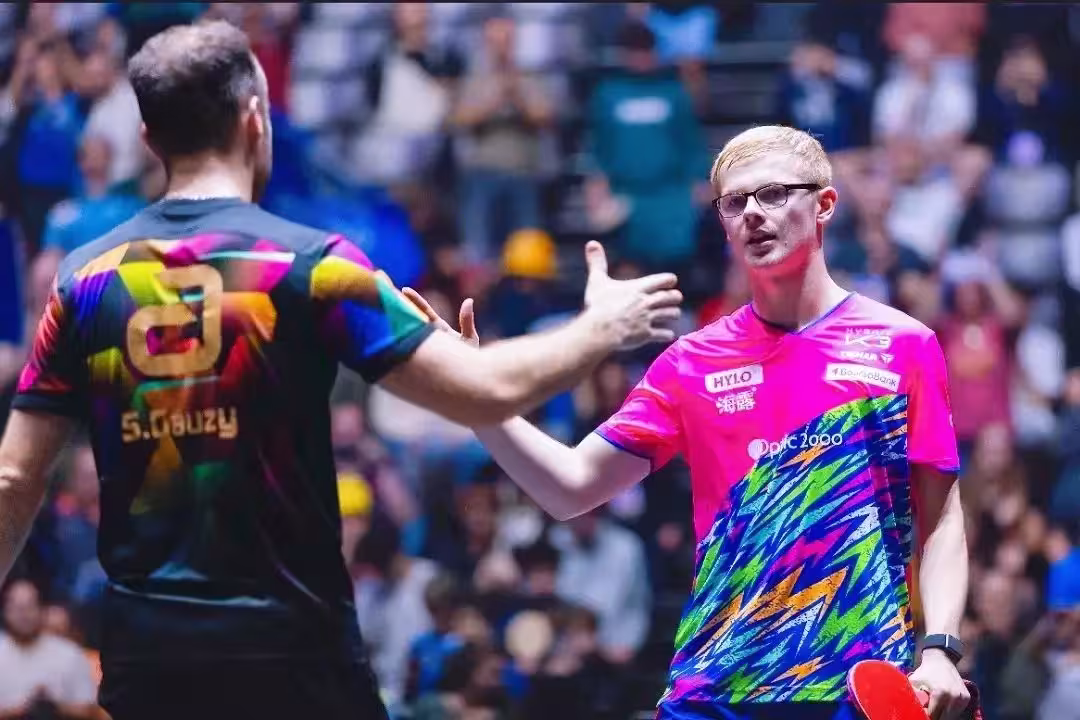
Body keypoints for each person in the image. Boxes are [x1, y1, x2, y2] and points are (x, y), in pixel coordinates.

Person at [0, 20, 682, 720]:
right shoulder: (312, 265)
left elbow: (14, 479)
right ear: (255, 119)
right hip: (293, 660)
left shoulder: (83, 281)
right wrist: (601, 328)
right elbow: (487, 391)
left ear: (149, 139)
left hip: (149, 664)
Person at [404, 125, 973, 720]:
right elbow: (570, 487)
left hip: (852, 686)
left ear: (824, 204)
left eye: (773, 194)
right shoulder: (691, 363)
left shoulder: (903, 345)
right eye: (735, 202)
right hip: (715, 691)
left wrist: (939, 650)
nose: (753, 214)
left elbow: (941, 517)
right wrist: (475, 396)